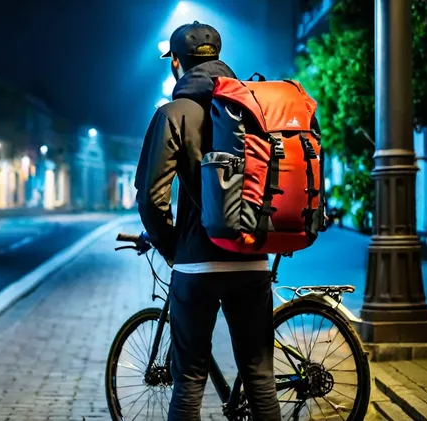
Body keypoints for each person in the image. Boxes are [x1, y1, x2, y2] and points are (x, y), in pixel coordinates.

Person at [134, 22, 281, 421]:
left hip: (197, 263)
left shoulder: (173, 114)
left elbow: (151, 198)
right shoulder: (254, 108)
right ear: (218, 59)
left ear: (176, 64)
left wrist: (171, 247)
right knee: (260, 377)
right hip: (251, 259)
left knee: (190, 381)